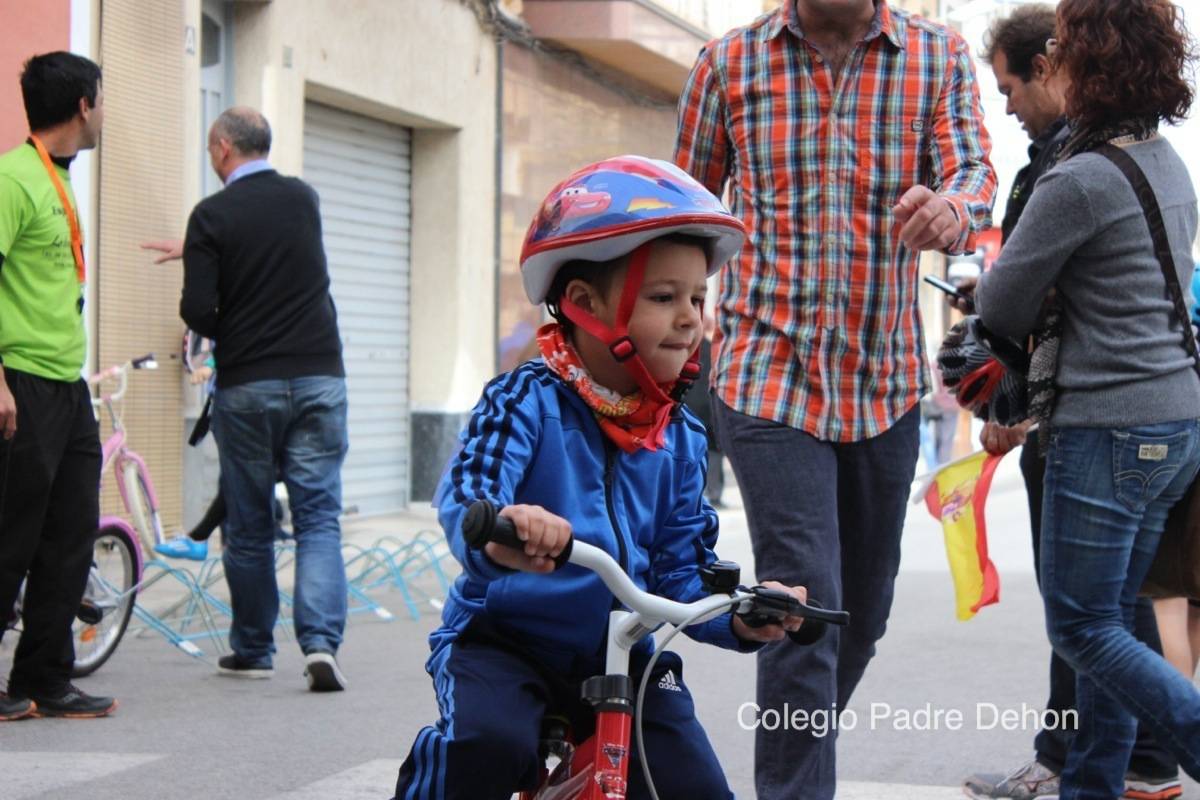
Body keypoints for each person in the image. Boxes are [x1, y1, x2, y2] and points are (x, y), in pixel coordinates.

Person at [392, 156, 809, 799]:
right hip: (506, 641)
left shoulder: (680, 438)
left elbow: (681, 570)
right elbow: (470, 491)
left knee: (696, 789)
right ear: (585, 306)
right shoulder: (525, 400)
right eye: (665, 297)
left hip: (624, 650)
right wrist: (502, 532)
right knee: (488, 745)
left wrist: (743, 614)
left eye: (698, 298)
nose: (691, 317)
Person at [673, 1, 996, 795]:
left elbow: (975, 175)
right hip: (763, 371)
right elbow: (684, 208)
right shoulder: (727, 64)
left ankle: (798, 750)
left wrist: (952, 211)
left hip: (880, 381)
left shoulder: (937, 55)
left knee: (863, 615)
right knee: (803, 603)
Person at [971, 0, 1200, 795]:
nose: (1052, 63)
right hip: (1173, 421)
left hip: (1106, 427)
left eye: (1062, 49)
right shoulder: (1163, 161)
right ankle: (1097, 785)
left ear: (1085, 65)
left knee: (1083, 626)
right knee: (1113, 619)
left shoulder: (1076, 180)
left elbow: (999, 308)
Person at [178, 107, 350, 692]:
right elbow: (279, 262)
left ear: (224, 147)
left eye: (210, 148)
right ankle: (321, 645)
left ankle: (253, 649)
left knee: (249, 524)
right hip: (319, 376)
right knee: (318, 518)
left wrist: (207, 267)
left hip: (249, 384)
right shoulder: (304, 200)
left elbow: (199, 310)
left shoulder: (210, 215)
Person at [0, 51, 117, 721]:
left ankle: (44, 677)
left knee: (70, 536)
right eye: (101, 99)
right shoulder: (14, 179)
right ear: (81, 105)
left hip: (65, 386)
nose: (104, 112)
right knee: (9, 539)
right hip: (20, 384)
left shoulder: (60, 179)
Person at [683, 315, 726, 506]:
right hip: (710, 407)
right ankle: (714, 493)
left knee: (691, 449)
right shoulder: (714, 350)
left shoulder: (684, 351)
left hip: (690, 407)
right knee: (714, 450)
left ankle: (693, 493)